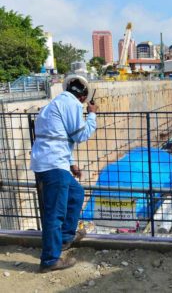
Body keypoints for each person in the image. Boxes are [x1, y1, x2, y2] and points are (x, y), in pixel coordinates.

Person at [31, 74, 98, 273]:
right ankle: (50, 259)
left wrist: (71, 164)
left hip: (50, 162)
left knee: (76, 193)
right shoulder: (72, 105)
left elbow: (58, 136)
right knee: (55, 213)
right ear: (84, 98)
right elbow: (80, 135)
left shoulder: (54, 104)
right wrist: (92, 115)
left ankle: (66, 238)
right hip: (53, 165)